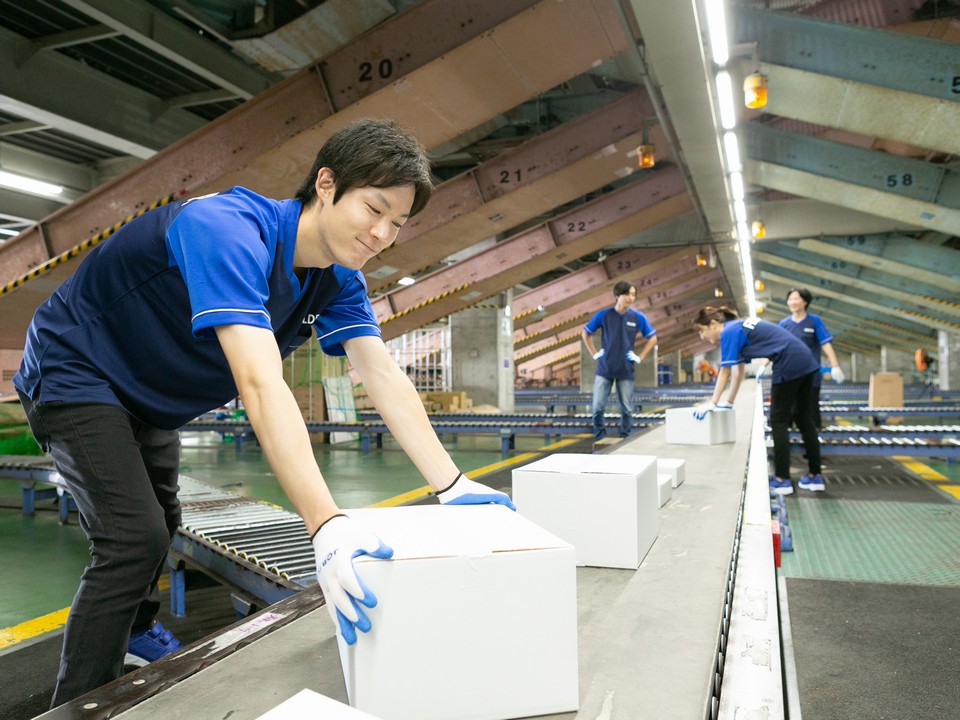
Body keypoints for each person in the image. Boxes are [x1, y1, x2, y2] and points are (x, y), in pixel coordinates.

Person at [13, 118, 514, 708]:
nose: (381, 233)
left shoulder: (336, 279)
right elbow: (258, 381)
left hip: (148, 394)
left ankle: (136, 628)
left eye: (397, 224)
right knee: (131, 539)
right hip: (77, 368)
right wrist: (324, 524)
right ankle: (79, 705)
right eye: (373, 209)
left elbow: (381, 374)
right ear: (326, 184)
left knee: (163, 519)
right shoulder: (226, 230)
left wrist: (450, 485)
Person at [691, 306, 824, 496]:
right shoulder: (737, 326)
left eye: (702, 331)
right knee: (804, 419)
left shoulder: (728, 331)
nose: (702, 337)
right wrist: (728, 402)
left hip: (788, 361)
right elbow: (738, 371)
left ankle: (782, 479)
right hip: (805, 360)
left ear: (713, 324)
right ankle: (815, 475)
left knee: (778, 421)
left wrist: (712, 403)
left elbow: (725, 371)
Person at [756, 288, 844, 428]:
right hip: (789, 376)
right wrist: (763, 364)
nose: (793, 302)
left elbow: (825, 344)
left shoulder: (814, 321)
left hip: (810, 376)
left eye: (796, 298)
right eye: (790, 299)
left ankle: (813, 443)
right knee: (788, 411)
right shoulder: (784, 324)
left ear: (805, 301)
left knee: (809, 410)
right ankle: (790, 442)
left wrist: (835, 366)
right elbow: (775, 347)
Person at [581, 281, 657, 440]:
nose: (631, 298)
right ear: (617, 295)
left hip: (625, 370)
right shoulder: (604, 315)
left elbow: (652, 338)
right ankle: (600, 437)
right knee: (597, 408)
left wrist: (640, 357)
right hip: (604, 368)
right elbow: (585, 333)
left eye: (633, 294)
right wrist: (594, 354)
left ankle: (625, 437)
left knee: (627, 409)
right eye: (627, 294)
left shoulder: (637, 317)